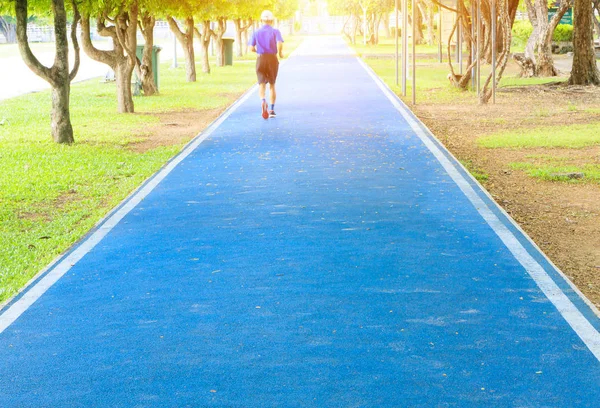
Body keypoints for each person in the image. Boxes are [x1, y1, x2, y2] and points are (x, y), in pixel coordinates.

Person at [248, 10, 284, 119]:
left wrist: (257, 51)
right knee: (272, 85)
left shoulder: (256, 32)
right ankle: (272, 110)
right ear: (271, 21)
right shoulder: (275, 31)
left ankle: (263, 100)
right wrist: (280, 53)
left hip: (261, 58)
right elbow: (280, 43)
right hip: (272, 59)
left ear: (261, 20)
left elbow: (250, 48)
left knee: (261, 83)